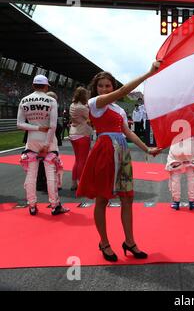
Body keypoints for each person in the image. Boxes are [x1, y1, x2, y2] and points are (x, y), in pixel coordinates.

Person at [76, 63, 161, 262]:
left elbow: (128, 132)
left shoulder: (118, 109)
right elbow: (124, 90)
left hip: (121, 151)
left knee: (127, 198)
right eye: (101, 86)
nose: (104, 89)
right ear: (95, 89)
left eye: (108, 86)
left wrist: (147, 148)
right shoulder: (96, 103)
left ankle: (129, 242)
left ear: (112, 87)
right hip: (105, 151)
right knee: (102, 199)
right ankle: (104, 242)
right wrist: (149, 73)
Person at [16, 75, 69, 216]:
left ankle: (32, 205)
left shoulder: (24, 100)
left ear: (33, 85)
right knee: (51, 173)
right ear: (46, 87)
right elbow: (52, 125)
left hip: (32, 140)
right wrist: (46, 144)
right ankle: (55, 205)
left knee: (31, 174)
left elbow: (19, 124)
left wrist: (36, 128)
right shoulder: (51, 100)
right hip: (49, 141)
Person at [166, 136, 194, 211]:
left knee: (175, 178)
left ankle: (176, 202)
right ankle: (192, 202)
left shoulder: (169, 124)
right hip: (190, 148)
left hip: (175, 148)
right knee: (192, 177)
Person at [69, 87, 92, 191]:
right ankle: (81, 184)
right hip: (82, 134)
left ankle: (74, 183)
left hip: (73, 133)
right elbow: (90, 118)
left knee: (77, 160)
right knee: (82, 161)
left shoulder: (72, 105)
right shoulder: (82, 108)